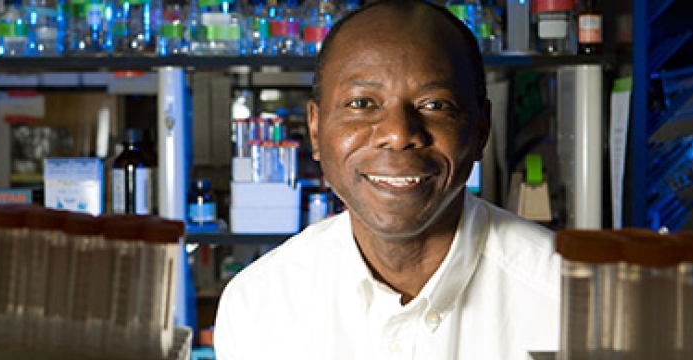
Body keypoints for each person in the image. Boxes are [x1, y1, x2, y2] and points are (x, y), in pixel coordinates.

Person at [214, 1, 560, 359]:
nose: (397, 134)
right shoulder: (259, 304)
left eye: (435, 105)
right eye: (362, 103)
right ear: (315, 129)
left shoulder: (565, 298)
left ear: (481, 130)